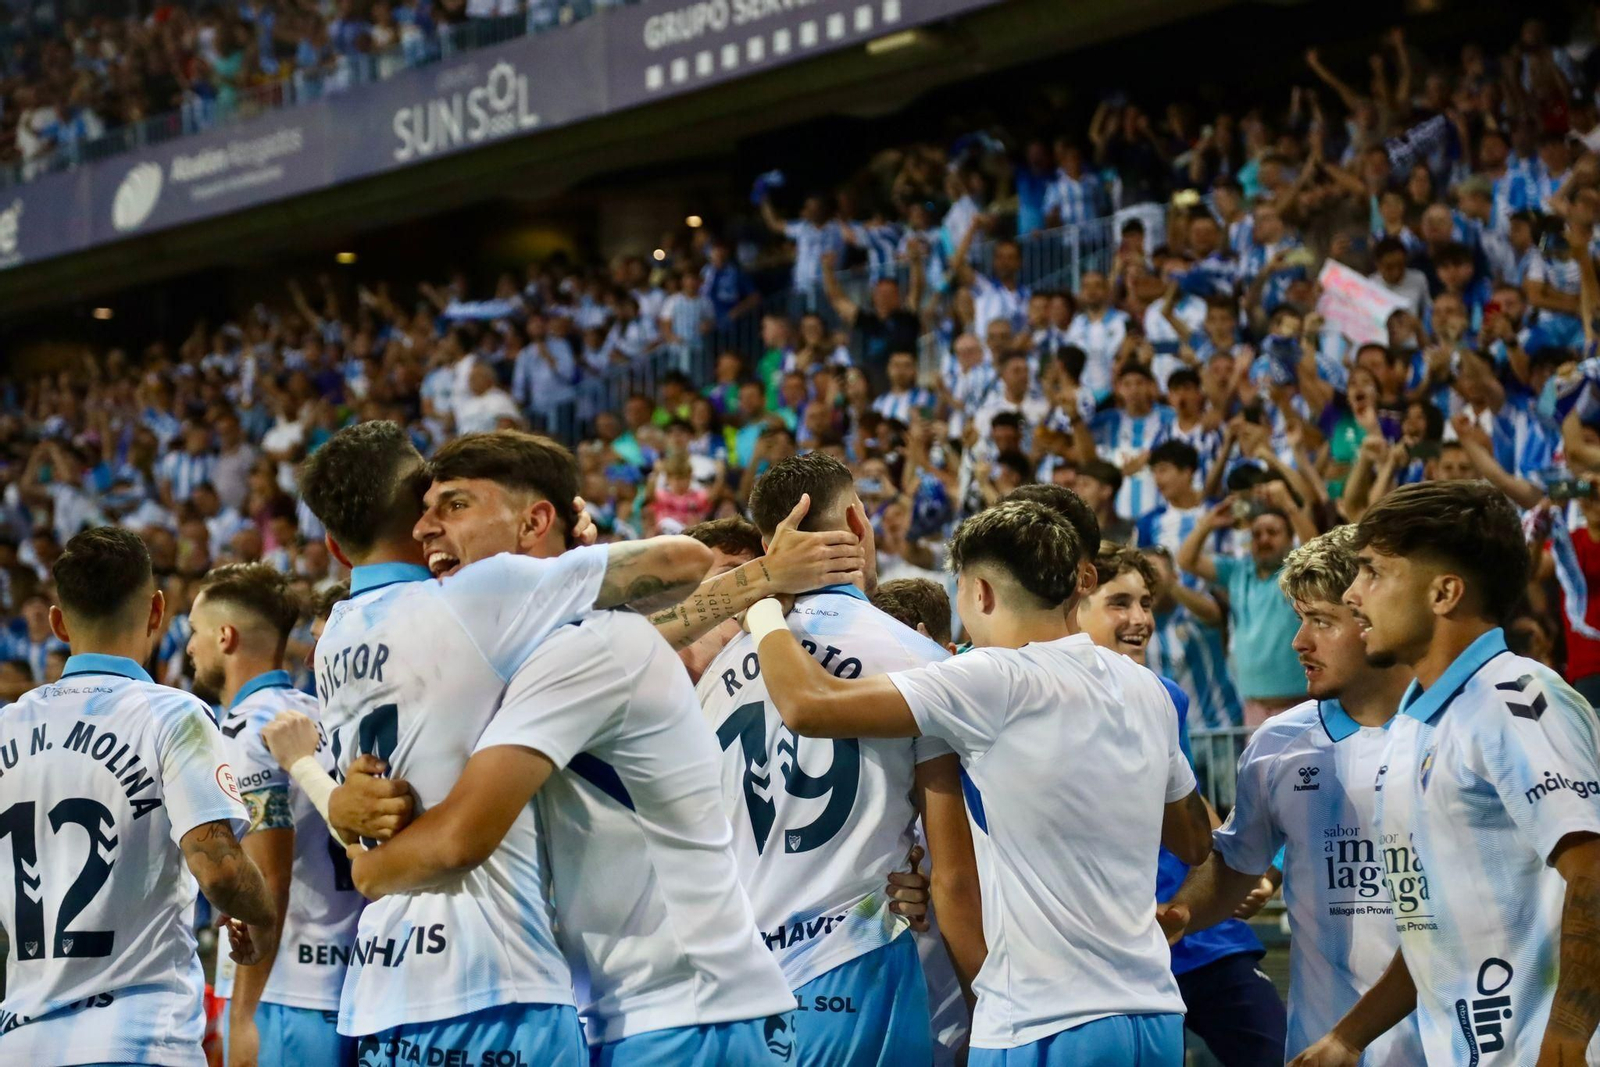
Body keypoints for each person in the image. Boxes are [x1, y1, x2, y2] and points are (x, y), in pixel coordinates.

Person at [297, 432, 801, 1065]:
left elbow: (457, 839)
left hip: (688, 1009)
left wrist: (360, 852)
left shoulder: (574, 645)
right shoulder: (526, 636)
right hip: (627, 1005)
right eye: (424, 509)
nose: (427, 528)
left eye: (453, 507)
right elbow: (657, 588)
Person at [742, 500, 1212, 1065]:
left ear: (981, 593)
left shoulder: (991, 680)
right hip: (1154, 1015)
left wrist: (764, 608)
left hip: (1043, 1021)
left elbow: (808, 706)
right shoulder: (1148, 689)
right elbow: (1194, 841)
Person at [1294, 482, 1600, 1066]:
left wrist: (1567, 1036)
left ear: (1444, 592)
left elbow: (1594, 871)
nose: (1354, 594)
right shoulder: (1414, 727)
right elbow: (1429, 924)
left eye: (1373, 572)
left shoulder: (1516, 698)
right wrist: (1347, 1038)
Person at [696, 453, 984, 1067]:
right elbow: (953, 871)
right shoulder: (922, 661)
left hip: (731, 984)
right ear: (857, 521)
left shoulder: (717, 673)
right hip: (849, 969)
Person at [0, 526, 274, 1066]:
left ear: (57, 622)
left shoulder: (6, 725)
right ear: (157, 612)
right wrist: (261, 916)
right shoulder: (174, 715)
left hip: (22, 1042)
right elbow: (219, 870)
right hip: (140, 1040)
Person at [1168, 526, 1425, 1065]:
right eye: (1299, 619)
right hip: (1321, 1043)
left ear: (1373, 616)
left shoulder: (1453, 731)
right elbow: (1236, 863)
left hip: (1450, 1043)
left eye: (1321, 621)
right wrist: (1172, 919)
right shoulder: (1279, 743)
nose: (1298, 642)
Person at [1077, 543, 1286, 1067]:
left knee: (1282, 1055)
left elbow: (1188, 803)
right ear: (1074, 605)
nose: (1140, 619)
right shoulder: (1024, 699)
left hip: (1197, 930)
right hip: (1108, 949)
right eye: (1119, 603)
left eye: (1146, 603)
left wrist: (1235, 872)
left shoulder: (1165, 695)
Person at [192, 563, 363, 1067]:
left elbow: (269, 876)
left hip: (286, 995)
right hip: (344, 979)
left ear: (226, 637)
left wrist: (243, 1014)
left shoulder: (249, 732)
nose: (189, 649)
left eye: (194, 633)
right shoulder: (315, 711)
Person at [1178, 502, 1306, 725]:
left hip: (1302, 706)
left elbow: (1315, 547)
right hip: (1253, 708)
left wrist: (1292, 509)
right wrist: (1207, 524)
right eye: (1256, 534)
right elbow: (1185, 561)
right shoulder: (1237, 571)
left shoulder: (1298, 574)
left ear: (1290, 538)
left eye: (1273, 532)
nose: (1263, 539)